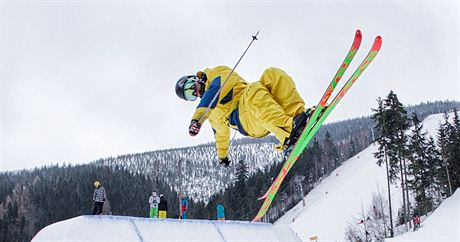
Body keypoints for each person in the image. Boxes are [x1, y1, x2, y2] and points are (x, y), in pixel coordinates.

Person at [175, 66, 313, 167]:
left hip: (261, 106)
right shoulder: (211, 115)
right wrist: (222, 157)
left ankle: (298, 119)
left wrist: (197, 118)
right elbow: (221, 135)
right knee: (254, 91)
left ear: (195, 79)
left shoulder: (219, 73)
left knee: (272, 74)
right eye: (190, 96)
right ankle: (289, 133)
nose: (195, 93)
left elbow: (216, 89)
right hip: (248, 122)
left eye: (190, 88)